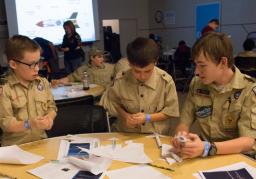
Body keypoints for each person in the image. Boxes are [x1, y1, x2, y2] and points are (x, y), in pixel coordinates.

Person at [172, 32, 256, 159]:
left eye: (202, 65)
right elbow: (184, 121)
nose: (196, 72)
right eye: (195, 64)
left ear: (223, 62)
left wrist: (208, 148)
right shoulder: (197, 84)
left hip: (236, 157)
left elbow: (248, 141)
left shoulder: (248, 90)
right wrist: (181, 137)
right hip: (205, 154)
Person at [100, 37, 179, 135]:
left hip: (155, 134)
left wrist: (148, 117)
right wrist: (125, 116)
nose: (142, 76)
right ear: (129, 63)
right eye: (137, 71)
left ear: (155, 62)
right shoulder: (121, 79)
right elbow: (114, 102)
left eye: (148, 71)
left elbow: (170, 111)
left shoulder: (166, 81)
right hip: (128, 133)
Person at [0, 35, 57, 146]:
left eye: (38, 62)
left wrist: (49, 118)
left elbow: (52, 107)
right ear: (13, 64)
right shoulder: (5, 88)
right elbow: (5, 123)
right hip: (15, 148)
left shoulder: (42, 82)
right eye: (31, 64)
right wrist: (29, 124)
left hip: (41, 142)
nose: (37, 68)